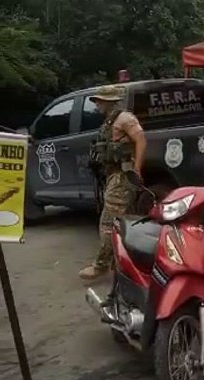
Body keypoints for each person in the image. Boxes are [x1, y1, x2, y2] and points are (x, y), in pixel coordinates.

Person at [79, 85, 146, 280]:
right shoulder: (111, 121)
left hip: (122, 176)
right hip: (113, 175)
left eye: (99, 100)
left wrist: (137, 169)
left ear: (109, 101)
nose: (97, 104)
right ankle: (125, 264)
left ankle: (101, 265)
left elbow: (141, 140)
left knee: (108, 222)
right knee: (124, 222)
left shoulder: (125, 119)